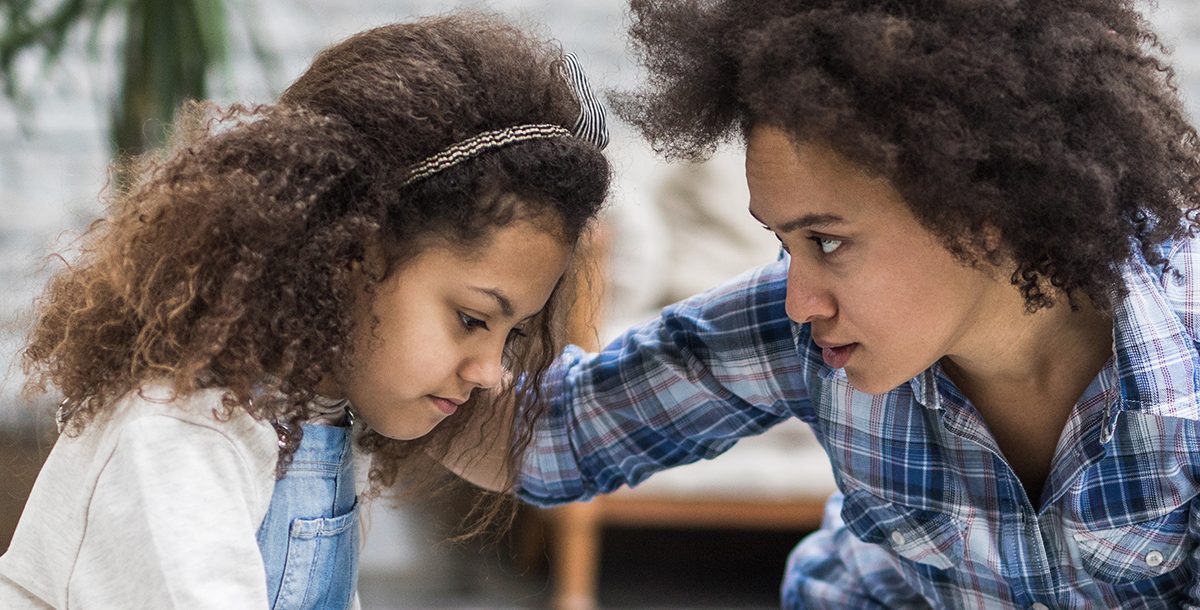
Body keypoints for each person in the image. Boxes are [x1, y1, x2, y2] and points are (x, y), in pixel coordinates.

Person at [459, 0, 1200, 607]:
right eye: (784, 243)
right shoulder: (807, 338)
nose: (799, 301)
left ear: (982, 209)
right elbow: (556, 435)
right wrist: (371, 343)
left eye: (829, 242)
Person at [0, 14, 609, 610]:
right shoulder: (182, 437)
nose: (491, 371)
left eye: (515, 333)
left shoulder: (322, 409)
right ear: (353, 253)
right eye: (474, 319)